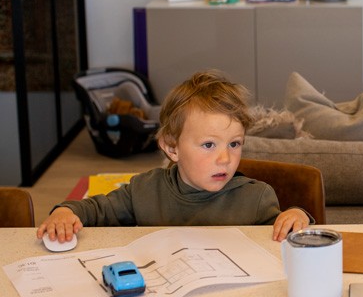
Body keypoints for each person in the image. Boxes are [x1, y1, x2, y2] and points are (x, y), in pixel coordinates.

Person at [36, 71, 311, 243]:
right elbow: (96, 209)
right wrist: (65, 211)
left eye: (235, 143)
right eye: (208, 145)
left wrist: (299, 215)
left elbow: (287, 236)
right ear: (171, 148)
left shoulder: (256, 198)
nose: (225, 158)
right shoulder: (143, 190)